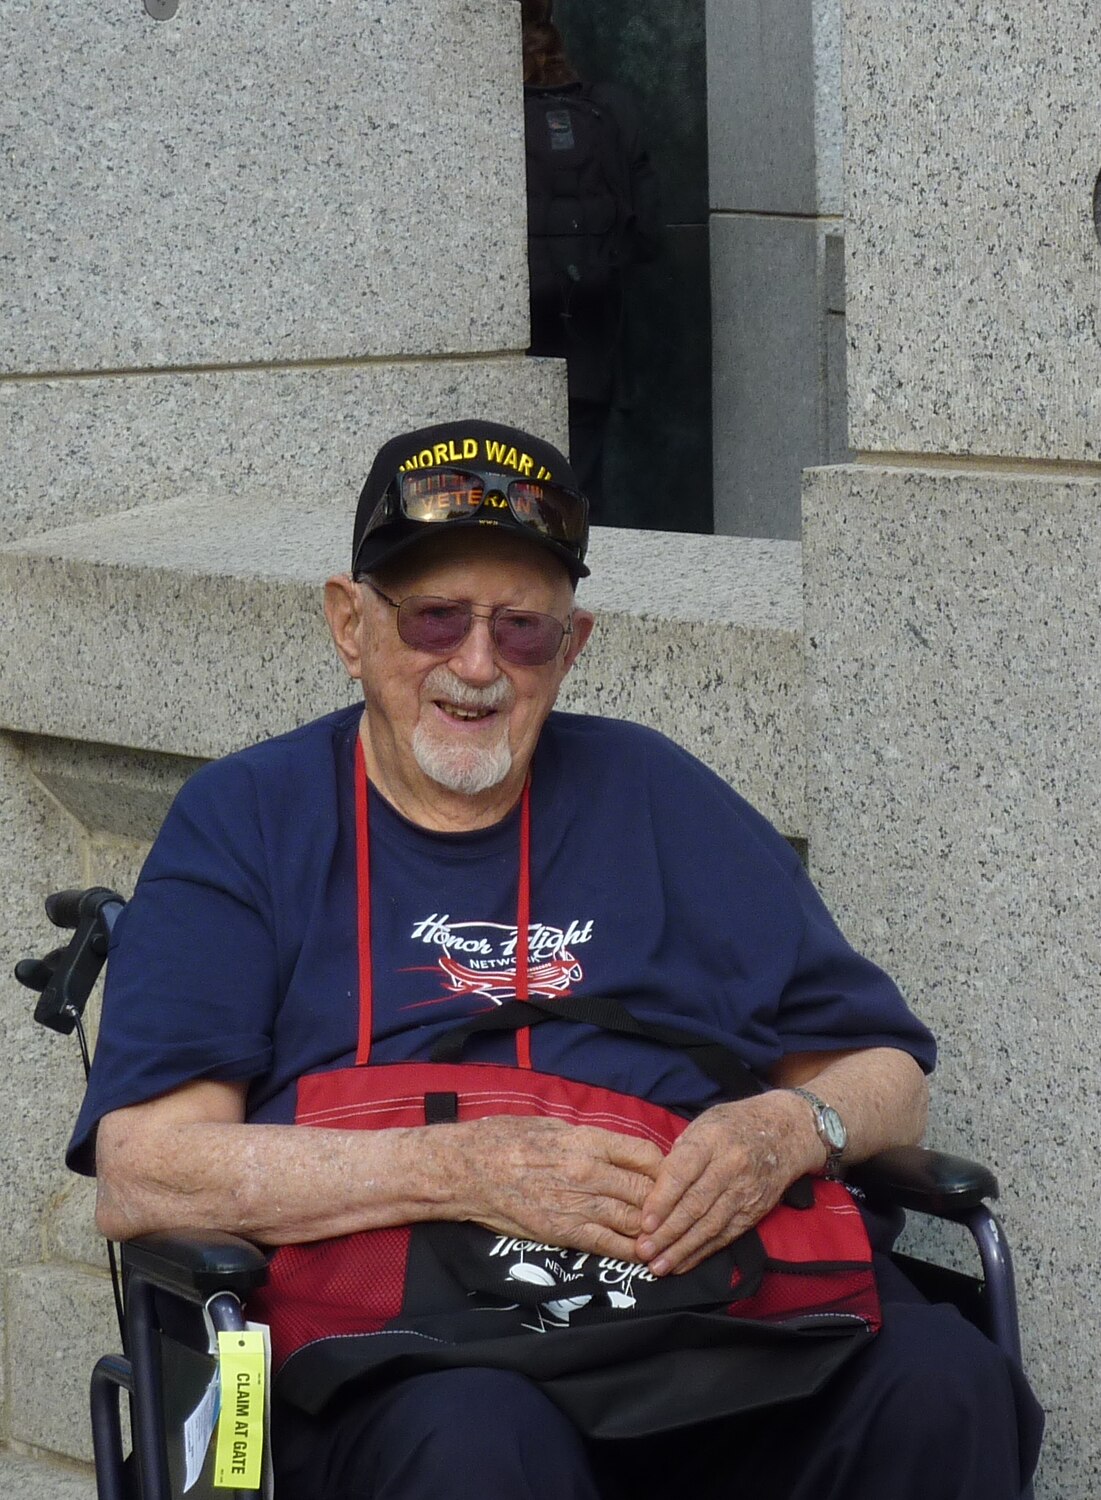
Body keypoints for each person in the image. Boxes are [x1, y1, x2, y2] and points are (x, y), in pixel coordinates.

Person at [66, 420, 1041, 1500]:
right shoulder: (247, 821)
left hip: (702, 1321)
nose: (476, 666)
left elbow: (886, 1080)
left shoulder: (659, 795)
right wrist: (461, 1169)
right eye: (434, 617)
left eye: (522, 629)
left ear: (571, 647)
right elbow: (146, 1172)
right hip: (412, 1360)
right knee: (484, 1438)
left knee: (942, 1378)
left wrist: (787, 1128)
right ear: (351, 624)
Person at [521, 0, 655, 506]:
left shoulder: (488, 118)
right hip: (592, 339)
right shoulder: (612, 110)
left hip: (515, 344)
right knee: (577, 499)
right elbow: (648, 233)